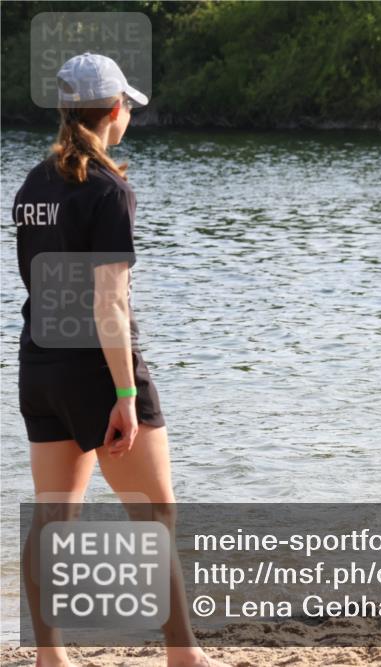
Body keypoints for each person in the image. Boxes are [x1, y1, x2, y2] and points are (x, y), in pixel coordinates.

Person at [14, 53, 229, 667]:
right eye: (126, 104)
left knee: (54, 519)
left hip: (40, 367)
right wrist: (126, 397)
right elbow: (109, 303)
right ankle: (183, 656)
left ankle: (49, 659)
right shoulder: (108, 188)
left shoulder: (32, 185)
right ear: (114, 110)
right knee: (155, 514)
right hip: (98, 371)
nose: (129, 112)